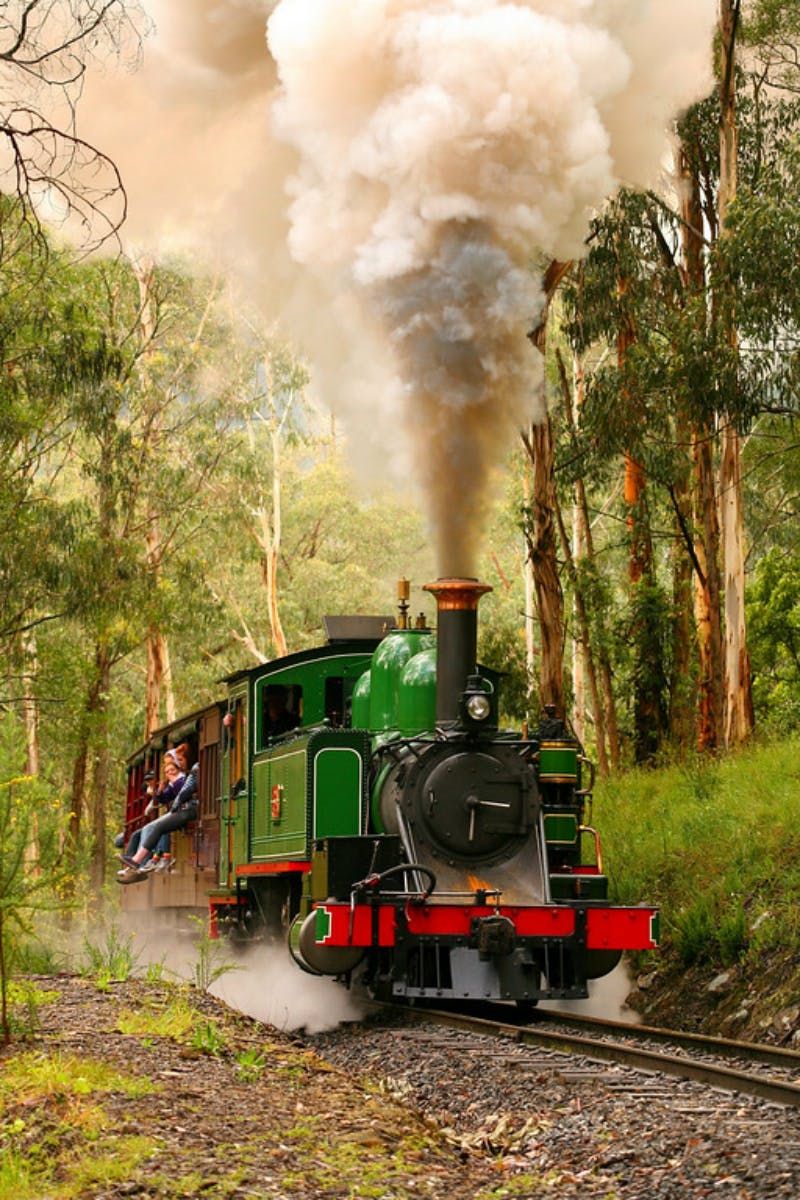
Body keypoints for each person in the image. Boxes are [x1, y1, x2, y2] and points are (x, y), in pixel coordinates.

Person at [118, 761, 200, 884]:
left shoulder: (183, 779)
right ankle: (134, 866)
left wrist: (173, 794)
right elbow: (165, 798)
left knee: (158, 827)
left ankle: (140, 862)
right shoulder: (175, 783)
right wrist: (160, 792)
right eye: (167, 772)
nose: (170, 773)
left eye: (172, 770)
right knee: (150, 829)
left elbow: (184, 792)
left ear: (179, 769)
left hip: (188, 809)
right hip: (181, 810)